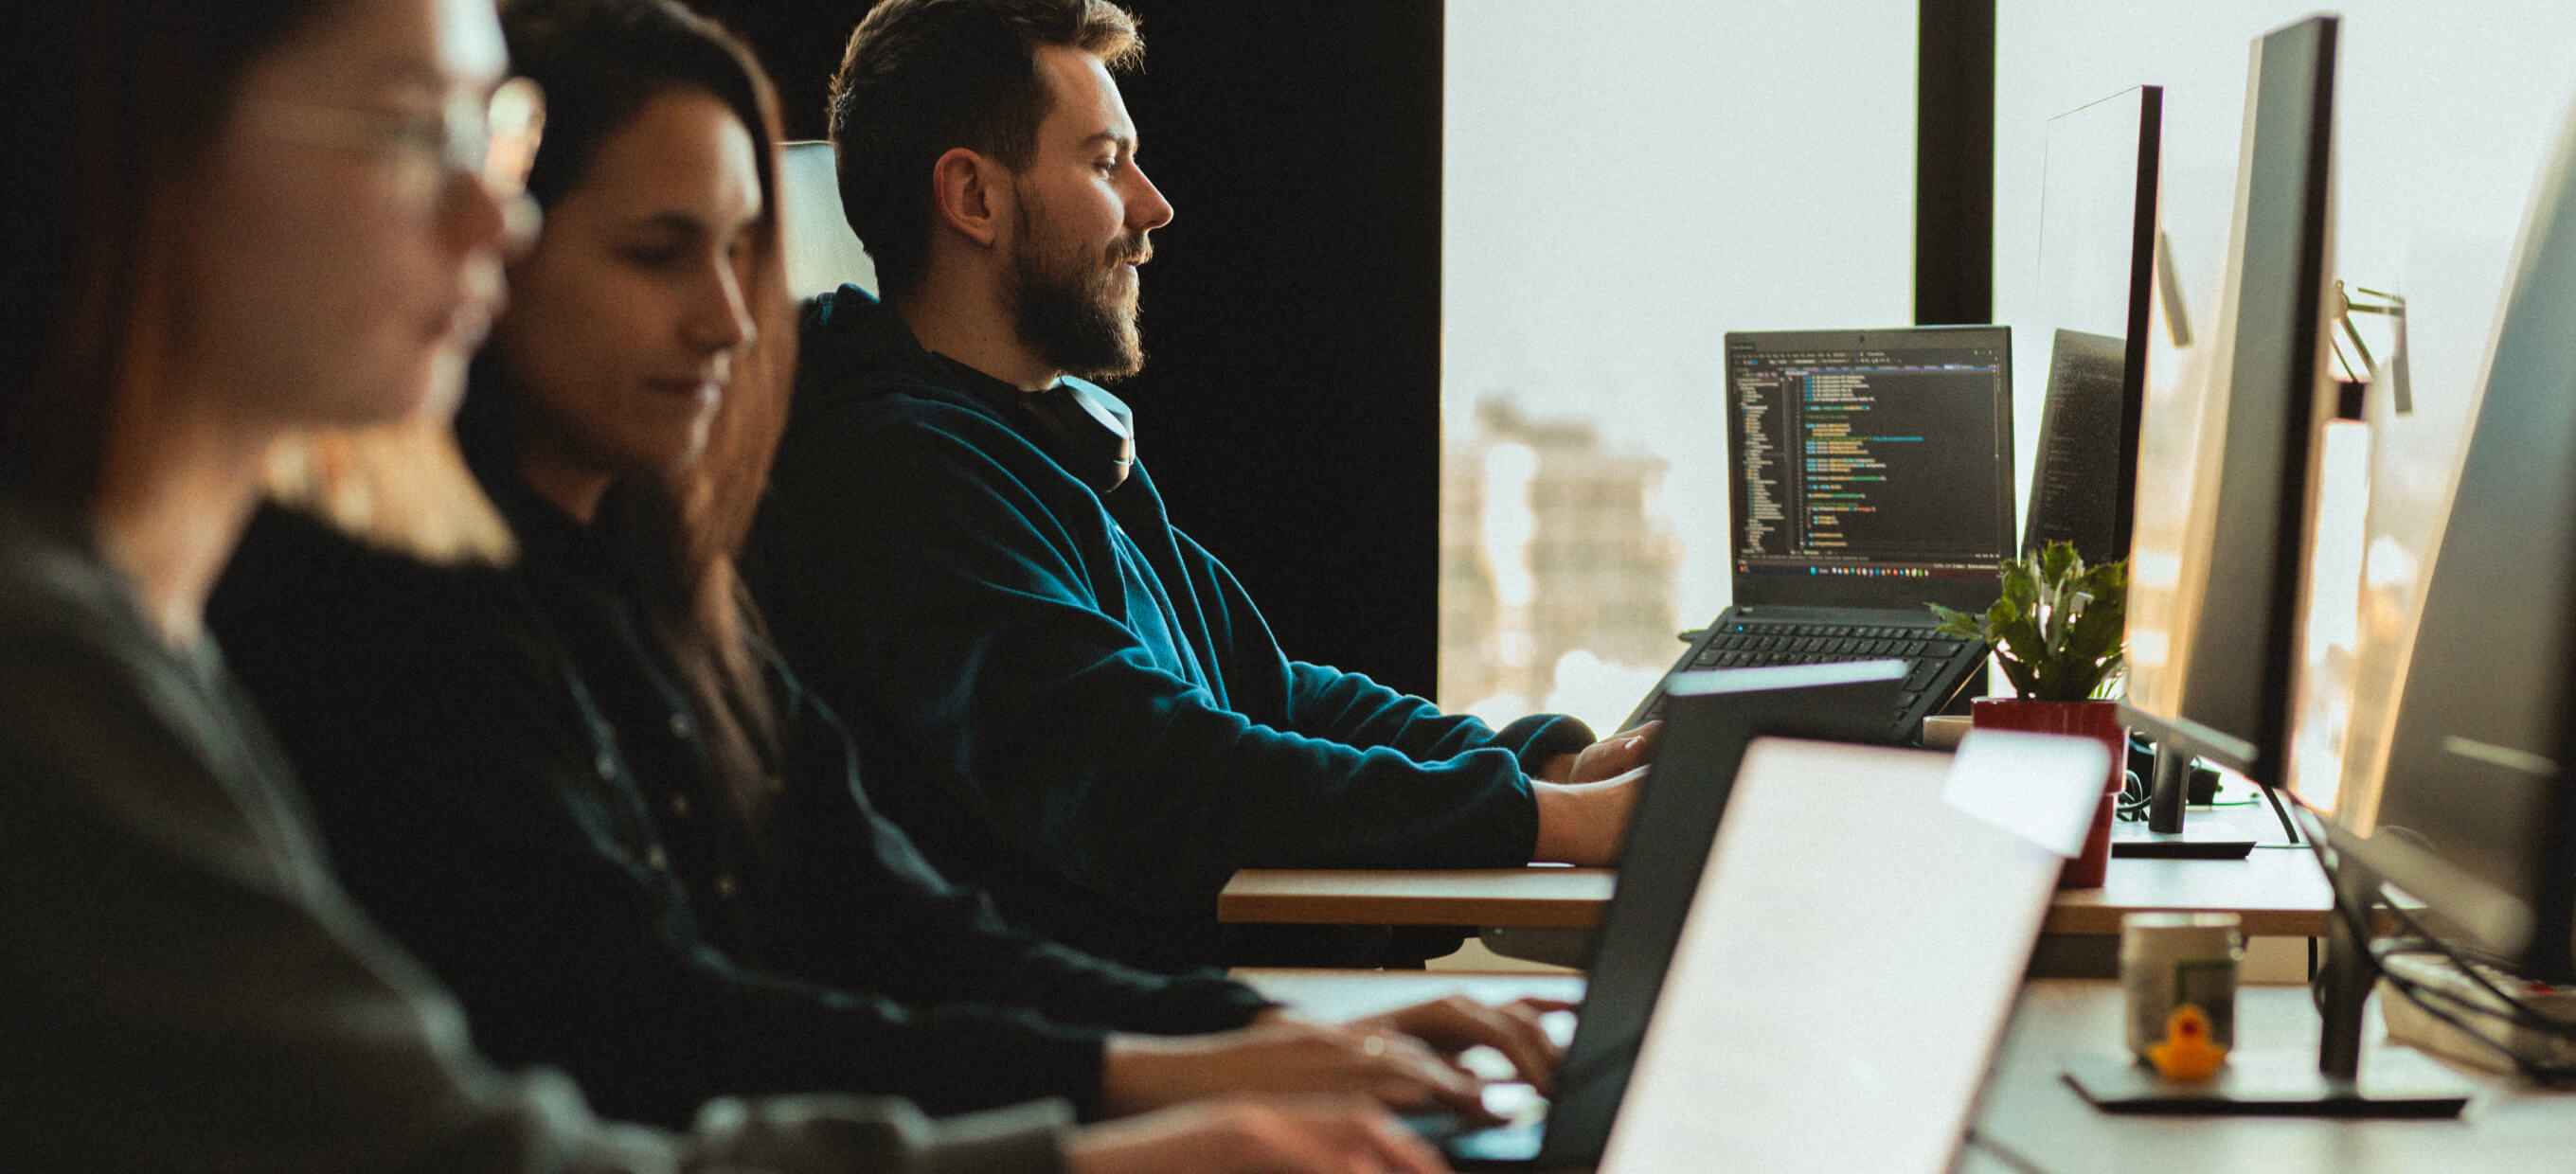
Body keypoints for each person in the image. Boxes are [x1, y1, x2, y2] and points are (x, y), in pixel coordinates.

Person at [0, 0, 1443, 1170]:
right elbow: (584, 1069)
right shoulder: (180, 645)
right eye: (407, 130)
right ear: (143, 144)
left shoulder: (664, 584)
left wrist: (1228, 1031)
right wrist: (1120, 1114)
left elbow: (891, 912)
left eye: (484, 142)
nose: (485, 227)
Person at [742, 0, 1658, 972]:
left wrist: (1544, 764)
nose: (1151, 206)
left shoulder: (1044, 442)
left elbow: (1272, 695)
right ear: (972, 197)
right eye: (1104, 163)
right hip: (1093, 1052)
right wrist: (1553, 820)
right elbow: (1161, 774)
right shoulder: (897, 479)